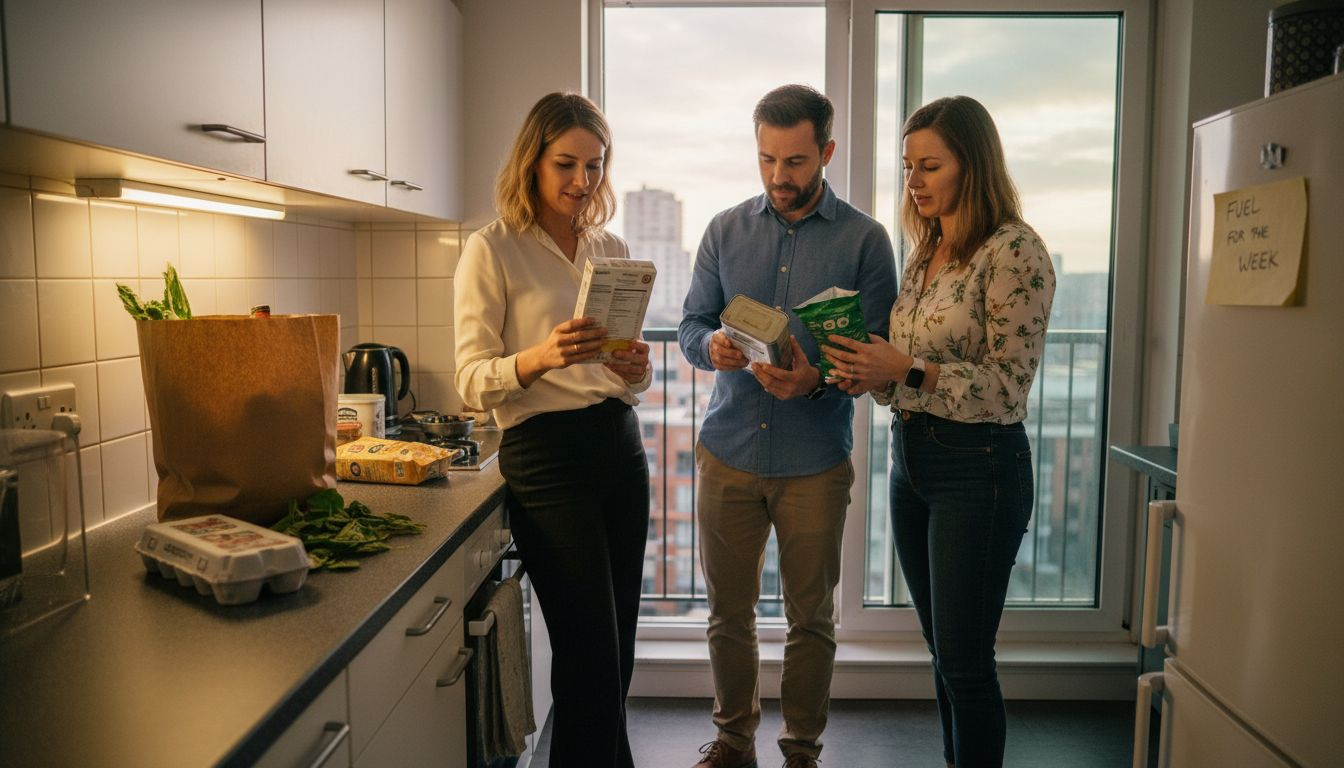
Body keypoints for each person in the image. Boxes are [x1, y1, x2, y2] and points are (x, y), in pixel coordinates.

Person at [822, 95, 1056, 768]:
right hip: (913, 463)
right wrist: (871, 372)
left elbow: (1008, 389)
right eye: (907, 167)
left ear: (972, 165)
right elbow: (907, 376)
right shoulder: (927, 253)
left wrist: (910, 371)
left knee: (965, 661)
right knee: (945, 653)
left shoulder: (1015, 250)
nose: (914, 181)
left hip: (979, 468)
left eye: (930, 165)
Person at [679, 84, 899, 768]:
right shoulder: (723, 230)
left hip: (814, 460)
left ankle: (801, 747)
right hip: (729, 449)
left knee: (811, 620)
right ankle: (734, 738)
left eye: (797, 161)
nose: (780, 176)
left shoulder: (866, 240)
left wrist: (817, 381)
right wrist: (708, 346)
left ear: (827, 152)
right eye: (768, 159)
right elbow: (691, 323)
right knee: (728, 616)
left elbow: (883, 353)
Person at [453, 92, 652, 768]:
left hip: (620, 448)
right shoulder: (493, 249)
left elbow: (628, 379)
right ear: (531, 161)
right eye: (566, 164)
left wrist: (633, 366)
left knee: (616, 646)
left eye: (594, 166)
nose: (582, 182)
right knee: (587, 646)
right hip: (546, 457)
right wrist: (540, 356)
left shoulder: (610, 246)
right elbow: (470, 378)